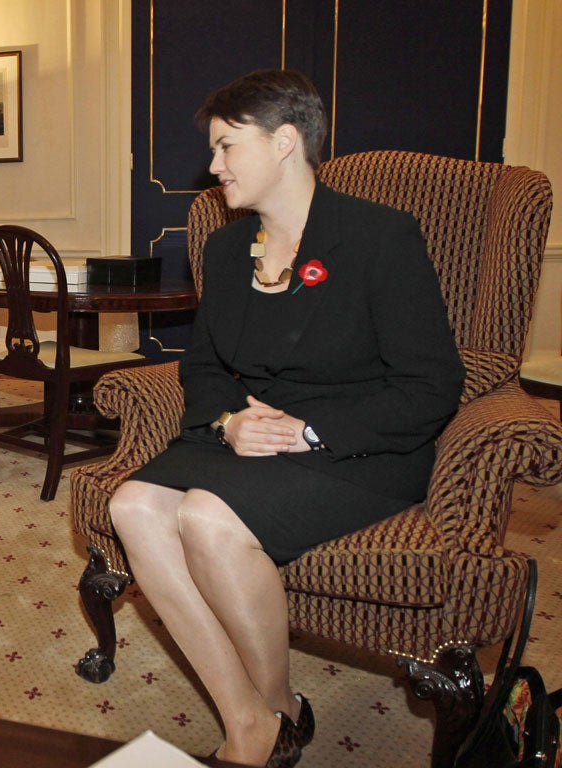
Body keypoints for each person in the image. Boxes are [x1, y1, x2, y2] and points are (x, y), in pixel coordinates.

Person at [109, 70, 465, 768]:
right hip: (254, 433)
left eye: (226, 147)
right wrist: (228, 424)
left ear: (284, 142)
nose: (212, 167)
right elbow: (206, 368)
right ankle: (251, 714)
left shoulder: (380, 237)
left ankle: (273, 712)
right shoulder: (222, 248)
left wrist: (309, 432)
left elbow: (432, 384)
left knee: (207, 518)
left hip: (360, 447)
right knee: (133, 505)